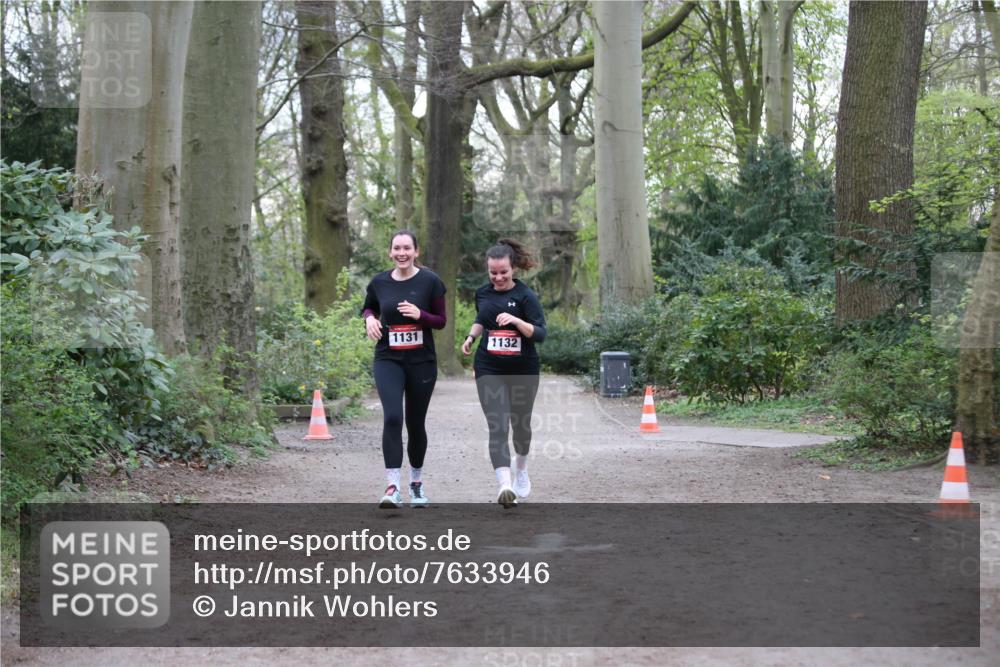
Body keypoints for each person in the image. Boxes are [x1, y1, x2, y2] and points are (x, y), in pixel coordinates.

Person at [362, 230, 447, 509]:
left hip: (421, 361)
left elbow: (441, 321)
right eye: (396, 248)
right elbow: (368, 308)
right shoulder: (379, 282)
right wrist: (370, 319)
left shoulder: (430, 281)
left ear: (416, 252)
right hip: (388, 358)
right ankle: (392, 486)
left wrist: (420, 315)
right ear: (390, 252)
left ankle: (416, 483)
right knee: (392, 418)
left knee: (415, 422)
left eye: (407, 248)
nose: (402, 253)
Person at [461, 239, 547, 508]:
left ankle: (520, 469)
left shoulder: (526, 297)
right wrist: (471, 337)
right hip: (489, 368)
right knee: (497, 426)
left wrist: (517, 321)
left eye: (503, 272)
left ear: (513, 269)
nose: (498, 277)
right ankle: (505, 486)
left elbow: (541, 334)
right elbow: (481, 319)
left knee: (521, 427)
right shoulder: (483, 293)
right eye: (493, 273)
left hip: (523, 370)